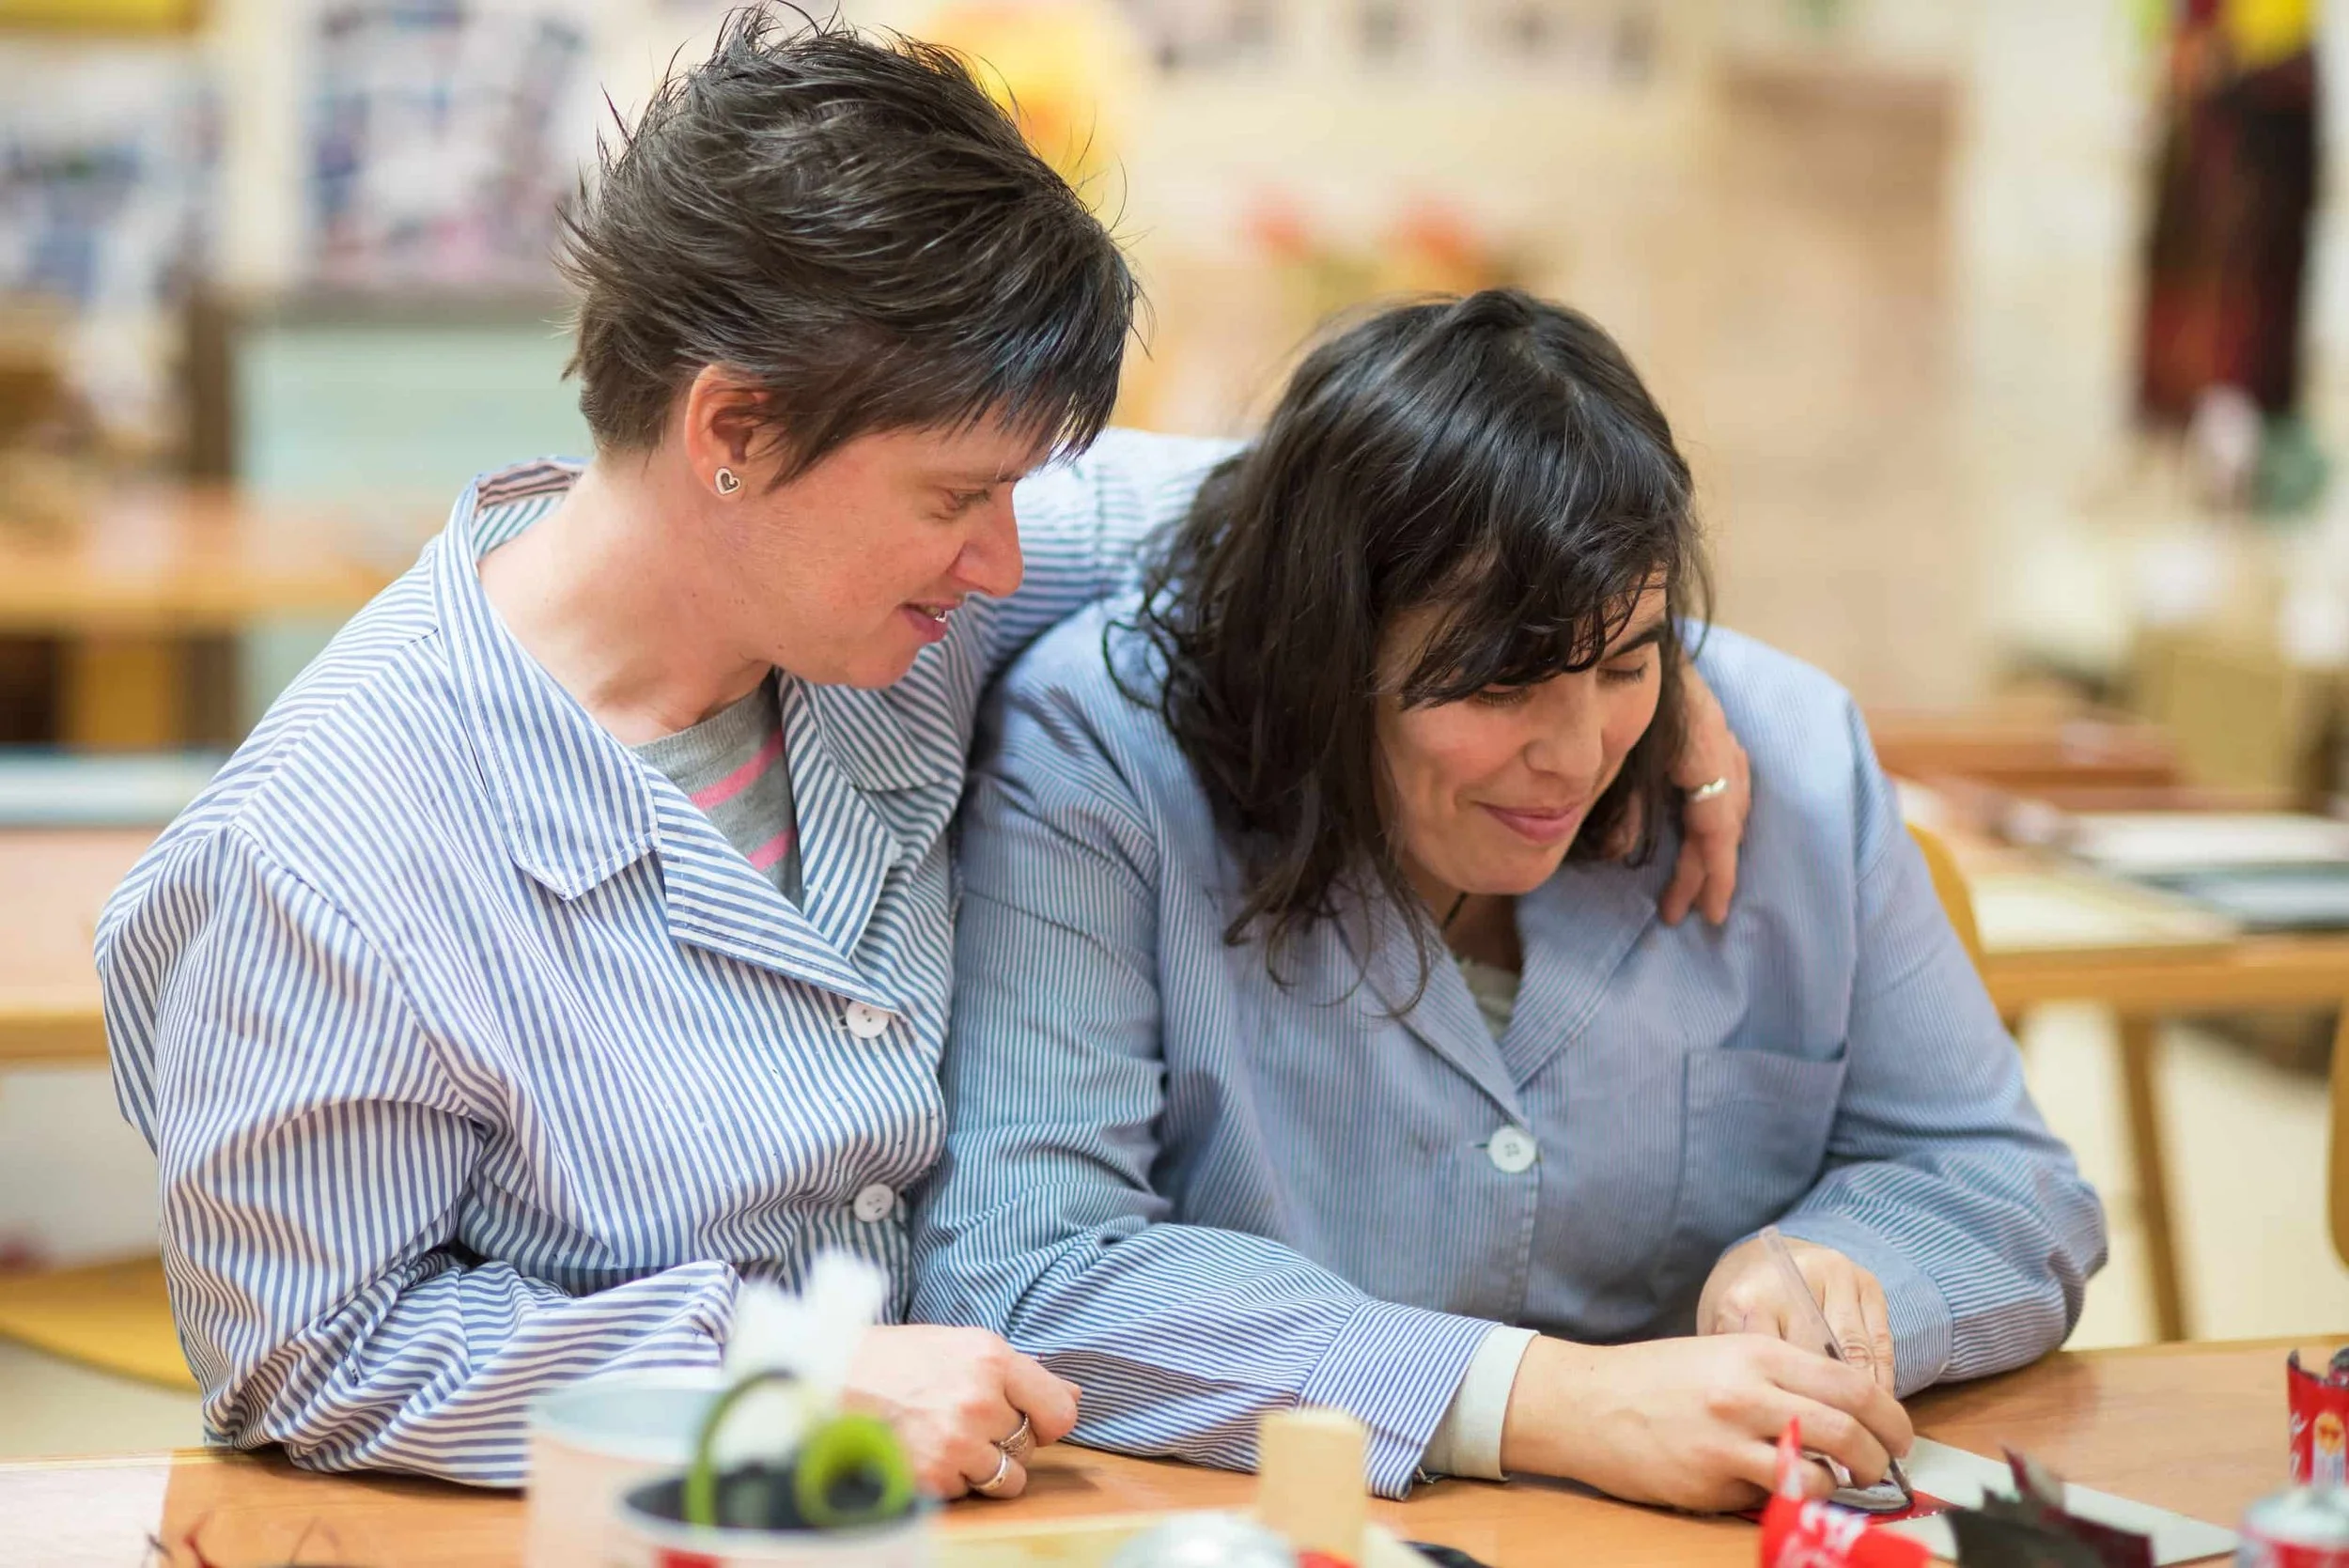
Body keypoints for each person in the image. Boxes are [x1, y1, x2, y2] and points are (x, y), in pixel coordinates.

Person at [94, 16, 1753, 1495]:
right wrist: (774, 1383)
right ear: (734, 431)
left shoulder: (876, 603)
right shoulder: (330, 848)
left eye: (1020, 490)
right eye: (960, 497)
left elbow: (1323, 529)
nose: (1008, 562)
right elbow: (312, 1354)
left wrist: (1595, 647)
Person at [911, 290, 2108, 1512]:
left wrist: (1848, 1272)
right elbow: (1030, 1267)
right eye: (1497, 685)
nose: (1577, 753)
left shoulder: (1787, 748)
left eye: (1629, 661)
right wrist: (1544, 1401)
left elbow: (2007, 1184)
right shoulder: (1106, 752)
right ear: (1327, 648)